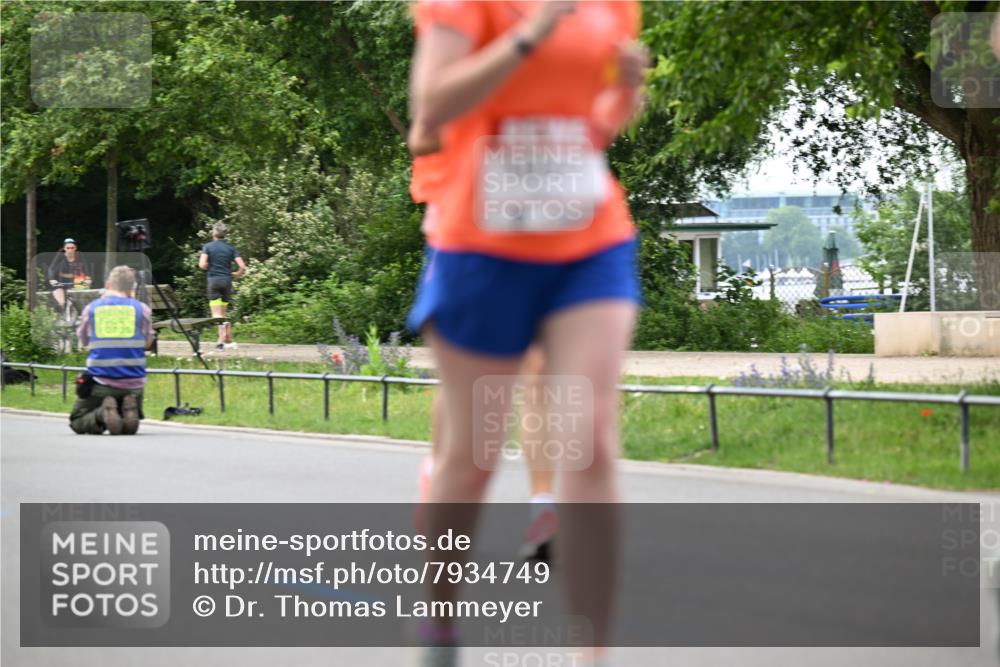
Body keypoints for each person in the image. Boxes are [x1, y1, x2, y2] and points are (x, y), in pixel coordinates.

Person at [406, 0, 646, 663]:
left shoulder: (614, 5)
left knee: (591, 440)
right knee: (472, 456)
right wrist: (533, 32)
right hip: (482, 244)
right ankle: (441, 617)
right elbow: (430, 107)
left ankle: (591, 655)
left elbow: (593, 127)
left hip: (588, 243)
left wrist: (625, 90)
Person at [70, 265, 154, 435]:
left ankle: (102, 413)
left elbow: (84, 340)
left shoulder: (93, 309)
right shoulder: (141, 309)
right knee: (125, 410)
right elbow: (148, 342)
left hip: (102, 381)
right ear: (132, 287)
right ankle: (129, 411)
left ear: (108, 284)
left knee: (77, 421)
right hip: (135, 383)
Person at [198, 223, 246, 351]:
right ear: (224, 234)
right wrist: (236, 274)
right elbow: (242, 266)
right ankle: (228, 338)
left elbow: (202, 265)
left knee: (216, 314)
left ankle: (220, 341)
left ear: (214, 233)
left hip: (214, 281)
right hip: (227, 281)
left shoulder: (207, 247)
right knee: (223, 312)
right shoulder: (230, 248)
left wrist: (211, 267)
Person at [46, 238, 92, 310]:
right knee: (61, 302)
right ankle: (60, 311)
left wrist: (88, 279)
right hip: (60, 282)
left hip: (75, 282)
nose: (70, 250)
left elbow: (86, 268)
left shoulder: (80, 255)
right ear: (64, 248)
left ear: (75, 248)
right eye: (68, 248)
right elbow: (51, 268)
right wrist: (52, 279)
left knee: (83, 290)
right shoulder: (60, 256)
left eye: (72, 248)